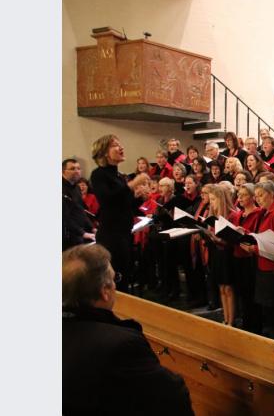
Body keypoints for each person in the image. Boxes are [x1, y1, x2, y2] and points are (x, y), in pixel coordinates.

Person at [62, 244, 194, 416]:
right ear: (105, 291)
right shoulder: (122, 345)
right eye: (114, 279)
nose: (115, 285)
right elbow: (171, 398)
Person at [90, 135, 150, 293]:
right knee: (114, 279)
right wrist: (133, 184)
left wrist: (140, 198)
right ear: (104, 152)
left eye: (120, 144)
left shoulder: (119, 176)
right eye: (115, 145)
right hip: (111, 235)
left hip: (124, 233)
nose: (121, 147)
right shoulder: (99, 174)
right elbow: (107, 200)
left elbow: (125, 205)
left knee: (124, 277)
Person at [244, 181, 274, 340]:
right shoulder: (264, 212)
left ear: (271, 194)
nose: (257, 199)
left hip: (273, 267)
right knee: (267, 308)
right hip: (263, 264)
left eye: (260, 195)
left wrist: (254, 249)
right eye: (256, 196)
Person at [232, 183, 266, 334]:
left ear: (253, 197)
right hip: (238, 255)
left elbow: (256, 235)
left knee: (251, 293)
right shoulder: (239, 214)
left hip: (250, 258)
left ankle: (254, 326)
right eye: (238, 195)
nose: (239, 198)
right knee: (241, 292)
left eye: (244, 195)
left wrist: (244, 232)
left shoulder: (258, 213)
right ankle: (246, 322)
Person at [206, 184, 241, 326]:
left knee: (228, 288)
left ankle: (231, 321)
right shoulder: (213, 216)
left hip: (228, 255)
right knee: (221, 287)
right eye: (210, 200)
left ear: (221, 199)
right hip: (217, 254)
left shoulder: (232, 215)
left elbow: (234, 239)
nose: (211, 203)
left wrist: (220, 240)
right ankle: (225, 319)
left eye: (214, 199)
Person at [63, 159, 95, 250]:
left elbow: (81, 210)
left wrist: (92, 228)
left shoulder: (76, 188)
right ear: (63, 171)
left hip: (79, 233)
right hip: (67, 235)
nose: (77, 171)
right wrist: (82, 233)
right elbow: (64, 217)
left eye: (78, 168)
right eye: (72, 169)